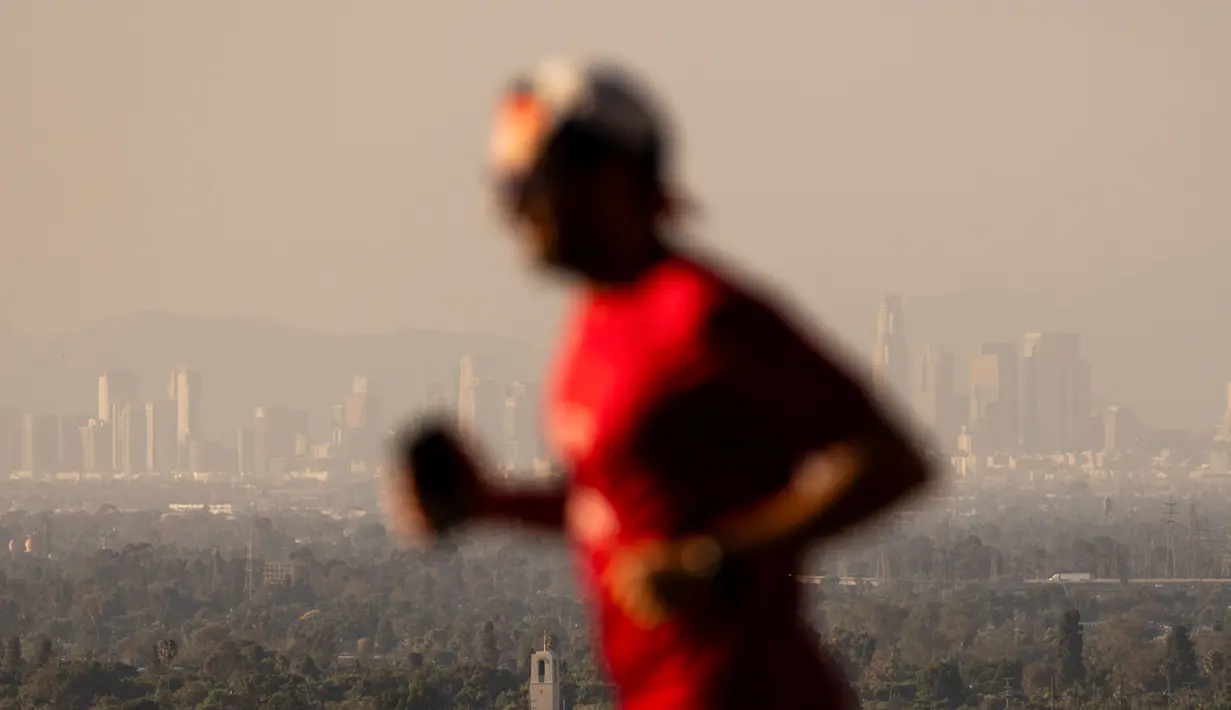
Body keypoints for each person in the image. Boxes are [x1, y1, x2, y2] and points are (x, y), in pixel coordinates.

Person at [384, 59, 933, 710]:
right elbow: (620, 507)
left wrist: (718, 557)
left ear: (608, 179)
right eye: (505, 190)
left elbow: (890, 460)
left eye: (529, 185)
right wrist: (488, 504)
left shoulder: (702, 315)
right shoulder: (592, 323)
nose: (512, 211)